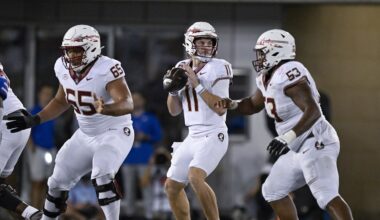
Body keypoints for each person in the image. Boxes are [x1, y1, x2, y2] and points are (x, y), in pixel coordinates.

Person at [215, 29, 353, 220]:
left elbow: (313, 111)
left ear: (277, 51)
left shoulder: (288, 72)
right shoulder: (268, 77)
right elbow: (253, 104)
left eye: (262, 52)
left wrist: (288, 137)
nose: (259, 57)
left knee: (326, 196)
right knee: (272, 190)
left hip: (316, 141)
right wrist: (232, 104)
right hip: (297, 146)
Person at [6, 24, 135, 220]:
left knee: (102, 174)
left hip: (114, 131)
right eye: (69, 50)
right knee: (57, 181)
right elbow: (60, 100)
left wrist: (106, 108)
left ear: (92, 48)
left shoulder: (107, 68)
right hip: (85, 134)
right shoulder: (62, 66)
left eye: (77, 50)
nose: (72, 55)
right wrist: (35, 119)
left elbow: (127, 103)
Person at [164, 21, 233, 220]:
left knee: (195, 176)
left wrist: (197, 85)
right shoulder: (181, 67)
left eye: (209, 42)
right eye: (201, 41)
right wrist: (174, 91)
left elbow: (220, 109)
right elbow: (174, 111)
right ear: (189, 43)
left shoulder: (219, 67)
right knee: (172, 186)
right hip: (192, 135)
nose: (206, 46)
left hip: (214, 133)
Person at [0, 63, 42, 219]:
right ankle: (33, 215)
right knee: (2, 189)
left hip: (7, 123)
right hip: (17, 123)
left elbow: (0, 86)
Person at [121, 91, 162, 218]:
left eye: (138, 99)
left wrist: (146, 137)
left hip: (145, 159)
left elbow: (158, 136)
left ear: (143, 101)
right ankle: (129, 215)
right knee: (129, 190)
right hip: (128, 159)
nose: (136, 101)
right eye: (133, 99)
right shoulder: (125, 119)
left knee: (147, 189)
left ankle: (150, 215)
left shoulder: (150, 118)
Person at [27, 85, 57, 209]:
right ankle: (33, 211)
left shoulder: (54, 112)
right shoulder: (33, 111)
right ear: (39, 94)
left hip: (51, 150)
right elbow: (26, 130)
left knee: (47, 183)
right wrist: (31, 147)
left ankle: (42, 211)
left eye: (50, 94)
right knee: (36, 182)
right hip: (38, 150)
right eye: (45, 93)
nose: (47, 96)